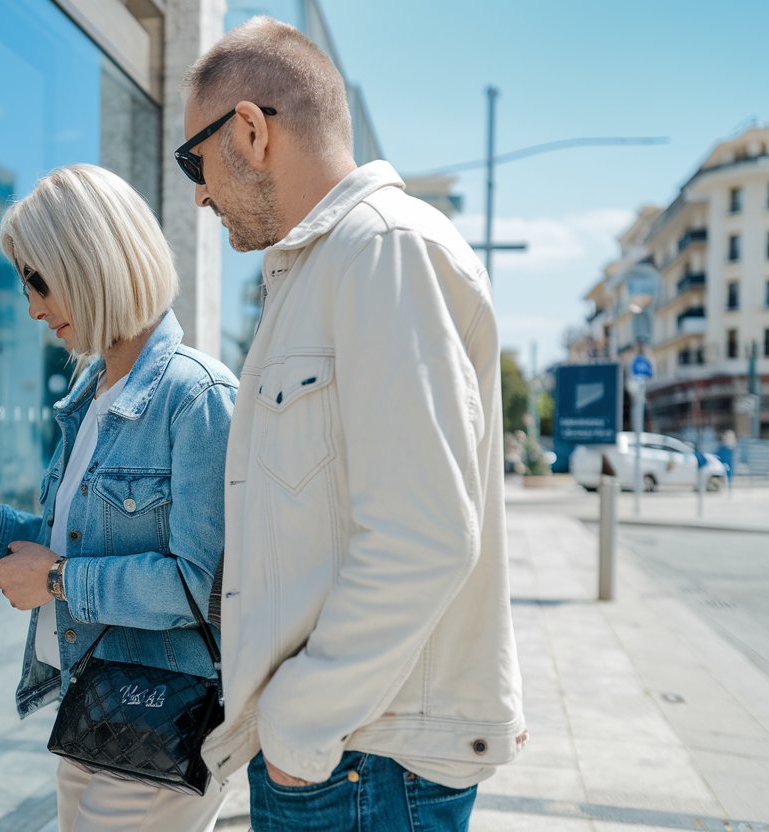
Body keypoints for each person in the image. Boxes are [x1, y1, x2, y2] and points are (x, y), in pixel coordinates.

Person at [176, 17, 525, 831]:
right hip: (348, 754)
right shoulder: (326, 265)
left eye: (195, 159)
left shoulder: (383, 250)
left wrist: (299, 728)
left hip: (362, 763)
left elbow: (426, 533)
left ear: (252, 132)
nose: (197, 190)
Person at [0, 164, 237, 832]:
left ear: (92, 264)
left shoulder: (196, 398)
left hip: (160, 719)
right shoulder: (90, 396)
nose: (31, 307)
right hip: (95, 705)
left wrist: (56, 581)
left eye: (39, 280)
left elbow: (202, 587)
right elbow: (83, 540)